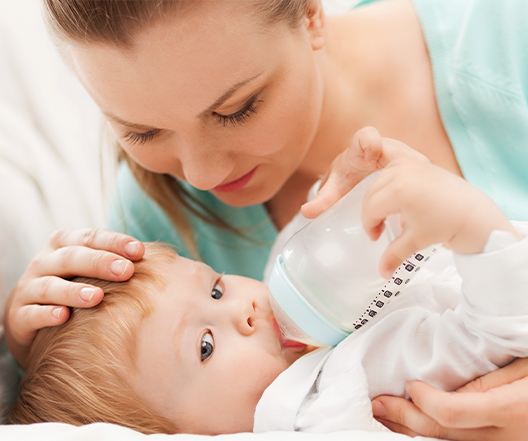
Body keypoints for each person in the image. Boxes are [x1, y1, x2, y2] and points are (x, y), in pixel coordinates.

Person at [4, 0, 528, 438]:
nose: (203, 175)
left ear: (311, 12)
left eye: (236, 108)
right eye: (142, 132)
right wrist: (24, 349)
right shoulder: (157, 219)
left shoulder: (507, 41)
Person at [8, 153, 528, 436]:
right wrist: (473, 228)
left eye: (216, 287)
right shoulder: (329, 395)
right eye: (205, 345)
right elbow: (487, 342)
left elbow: (314, 242)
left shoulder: (295, 309)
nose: (246, 308)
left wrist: (346, 198)